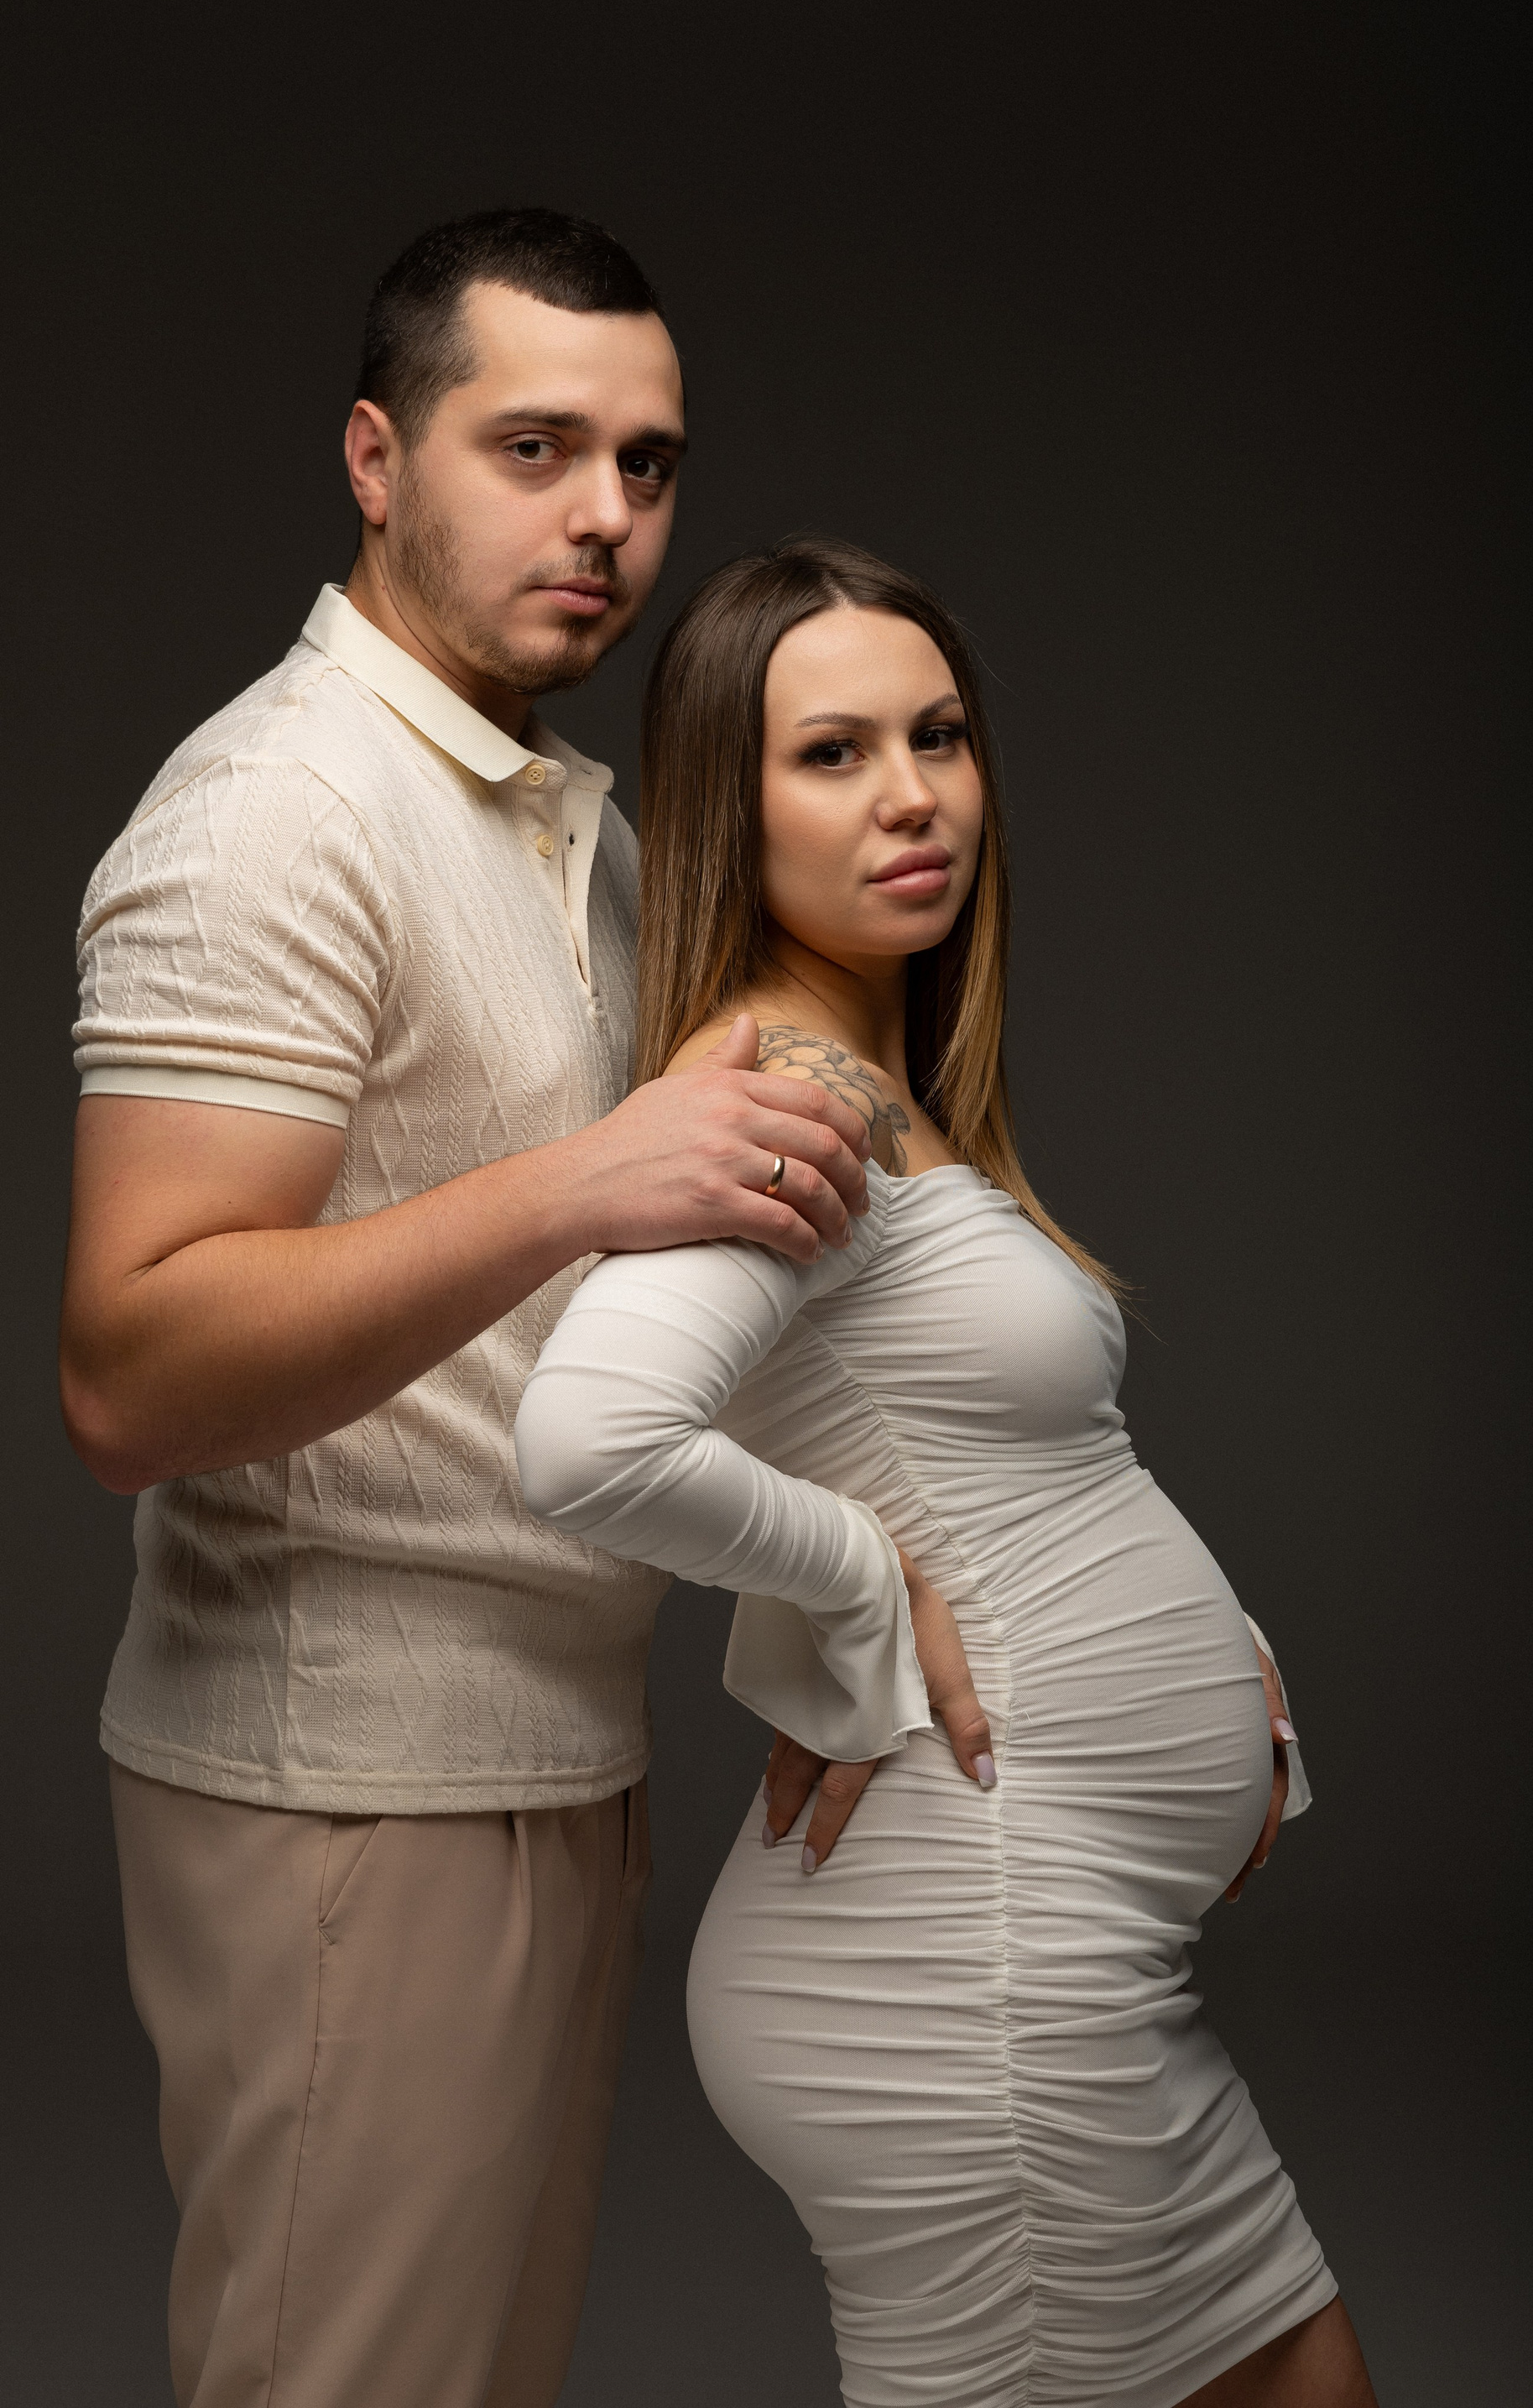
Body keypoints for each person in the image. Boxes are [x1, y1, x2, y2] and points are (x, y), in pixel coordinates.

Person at [59, 212, 894, 2408]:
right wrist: (579, 1186)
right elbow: (129, 1375)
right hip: (350, 1784)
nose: (605, 516)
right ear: (375, 457)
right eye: (534, 449)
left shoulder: (558, 825)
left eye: (647, 463)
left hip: (549, 1753)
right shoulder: (277, 813)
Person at [515, 537, 1378, 2405]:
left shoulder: (876, 1084)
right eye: (833, 753)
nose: (913, 795)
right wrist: (853, 1584)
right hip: (968, 1974)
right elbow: (591, 1440)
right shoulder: (787, 1093)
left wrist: (1218, 1661)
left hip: (1037, 1947)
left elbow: (1011, 1467)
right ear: (728, 810)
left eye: (941, 734)